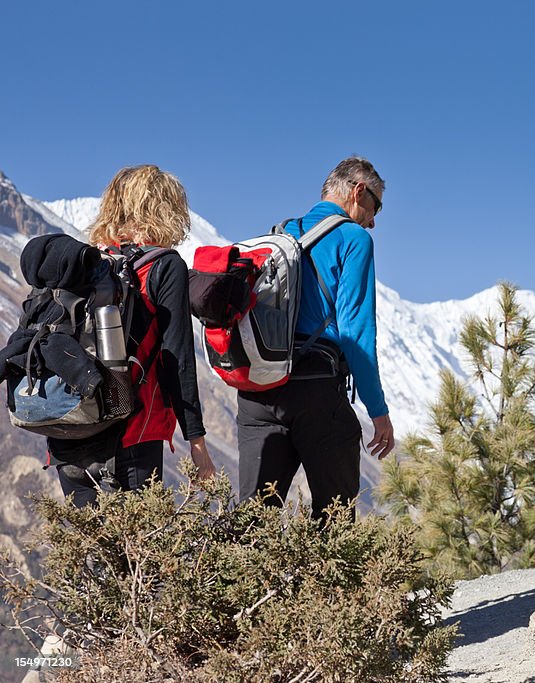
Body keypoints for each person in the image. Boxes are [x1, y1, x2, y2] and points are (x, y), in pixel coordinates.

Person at [236, 156, 394, 519]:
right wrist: (378, 412)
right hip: (317, 390)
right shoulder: (353, 239)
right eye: (376, 206)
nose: (372, 221)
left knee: (251, 523)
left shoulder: (279, 233)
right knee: (334, 522)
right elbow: (356, 332)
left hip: (258, 391)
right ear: (357, 192)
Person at [50, 165, 214, 505]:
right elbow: (176, 358)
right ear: (167, 209)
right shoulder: (164, 266)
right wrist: (197, 443)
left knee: (92, 553)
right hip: (132, 434)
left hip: (67, 433)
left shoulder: (87, 264)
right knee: (134, 554)